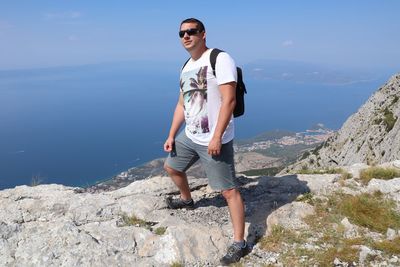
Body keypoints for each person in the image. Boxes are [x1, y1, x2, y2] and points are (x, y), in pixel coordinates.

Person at [163, 18, 247, 265]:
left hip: (214, 137)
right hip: (190, 135)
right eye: (182, 33)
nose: (186, 36)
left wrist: (217, 136)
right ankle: (187, 200)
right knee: (172, 168)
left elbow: (229, 100)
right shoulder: (186, 65)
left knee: (228, 190)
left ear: (203, 34)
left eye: (191, 32)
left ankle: (239, 242)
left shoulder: (220, 59)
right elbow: (182, 104)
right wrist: (171, 135)